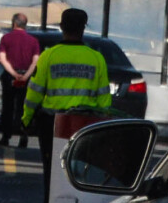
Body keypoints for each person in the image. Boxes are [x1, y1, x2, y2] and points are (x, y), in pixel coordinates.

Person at [25, 8, 112, 141]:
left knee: (54, 161)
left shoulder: (48, 56)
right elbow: (104, 98)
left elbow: (34, 92)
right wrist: (102, 122)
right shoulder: (97, 58)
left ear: (61, 27)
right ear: (83, 28)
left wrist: (26, 119)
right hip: (85, 124)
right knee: (77, 161)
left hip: (53, 122)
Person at [0, 11, 41, 149]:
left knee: (8, 106)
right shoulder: (33, 41)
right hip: (26, 78)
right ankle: (23, 136)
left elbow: (2, 59)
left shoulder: (6, 39)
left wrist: (14, 74)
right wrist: (26, 76)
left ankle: (6, 136)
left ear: (13, 23)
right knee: (23, 108)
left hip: (10, 77)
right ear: (25, 25)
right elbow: (35, 62)